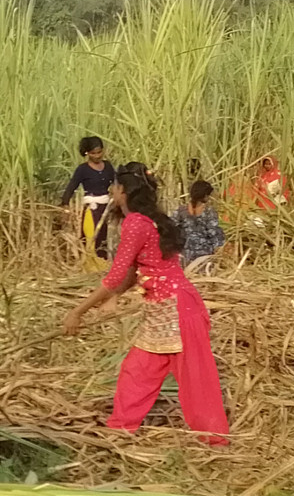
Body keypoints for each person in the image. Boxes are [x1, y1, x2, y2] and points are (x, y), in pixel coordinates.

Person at [61, 169, 227, 446]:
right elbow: (132, 274)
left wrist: (78, 312)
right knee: (136, 371)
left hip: (177, 309)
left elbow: (115, 276)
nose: (112, 193)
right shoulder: (148, 221)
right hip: (161, 309)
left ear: (124, 192)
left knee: (196, 380)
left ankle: (216, 442)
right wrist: (111, 298)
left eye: (115, 188)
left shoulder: (136, 223)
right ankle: (119, 430)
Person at [58, 135, 116, 262]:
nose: (97, 156)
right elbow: (71, 186)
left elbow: (116, 182)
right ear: (87, 153)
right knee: (91, 235)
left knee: (104, 236)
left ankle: (104, 262)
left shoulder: (108, 166)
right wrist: (65, 204)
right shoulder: (83, 169)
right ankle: (91, 263)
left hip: (106, 207)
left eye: (99, 152)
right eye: (93, 153)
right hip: (91, 207)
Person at [180, 177, 225, 274]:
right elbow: (214, 233)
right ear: (205, 196)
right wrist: (220, 246)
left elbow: (172, 228)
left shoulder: (181, 210)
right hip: (203, 255)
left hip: (185, 254)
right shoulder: (209, 212)